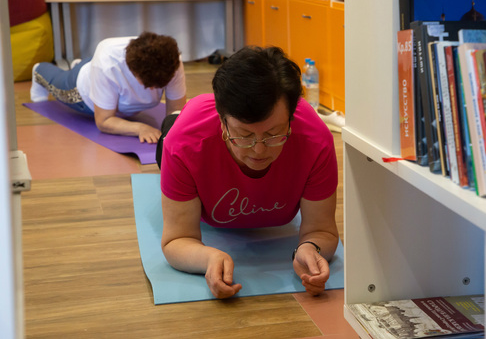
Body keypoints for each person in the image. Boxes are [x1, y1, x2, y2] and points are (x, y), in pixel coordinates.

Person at [158, 46, 339, 299]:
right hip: (189, 127)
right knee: (168, 135)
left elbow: (323, 231)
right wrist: (207, 257)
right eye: (244, 135)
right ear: (223, 123)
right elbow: (176, 240)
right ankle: (177, 116)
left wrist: (311, 248)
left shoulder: (315, 141)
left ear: (291, 119)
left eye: (273, 134)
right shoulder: (185, 143)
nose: (259, 150)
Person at [30, 31, 187, 143]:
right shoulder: (108, 64)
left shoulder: (172, 62)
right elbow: (104, 121)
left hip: (101, 69)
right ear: (133, 72)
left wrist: (171, 136)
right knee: (56, 84)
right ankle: (39, 70)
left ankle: (81, 64)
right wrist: (140, 128)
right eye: (149, 85)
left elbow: (176, 112)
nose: (153, 90)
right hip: (82, 91)